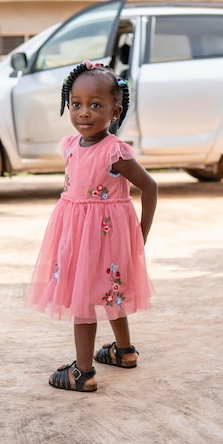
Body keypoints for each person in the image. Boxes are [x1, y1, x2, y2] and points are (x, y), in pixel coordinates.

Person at [25, 59, 157, 392]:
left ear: (115, 111)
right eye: (76, 104)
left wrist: (140, 236)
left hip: (104, 237)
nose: (84, 112)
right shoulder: (70, 146)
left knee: (85, 296)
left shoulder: (115, 152)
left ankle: (82, 372)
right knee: (109, 293)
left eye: (95, 105)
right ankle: (124, 352)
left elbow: (150, 187)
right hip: (77, 236)